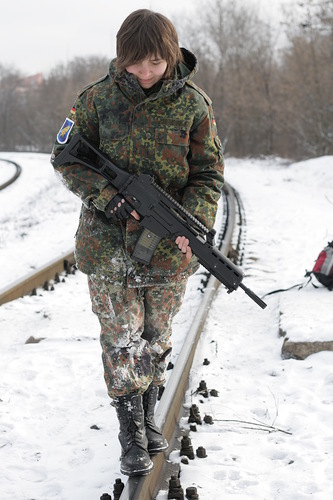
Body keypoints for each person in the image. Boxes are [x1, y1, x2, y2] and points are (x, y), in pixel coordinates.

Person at [51, 9, 224, 477]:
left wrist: (197, 224)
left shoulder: (194, 105)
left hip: (168, 245)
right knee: (120, 337)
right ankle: (131, 430)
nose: (144, 73)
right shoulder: (96, 100)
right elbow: (65, 157)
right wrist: (107, 197)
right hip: (106, 241)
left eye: (153, 63)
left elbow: (208, 174)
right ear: (120, 57)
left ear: (170, 55)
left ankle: (149, 414)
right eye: (134, 63)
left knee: (156, 336)